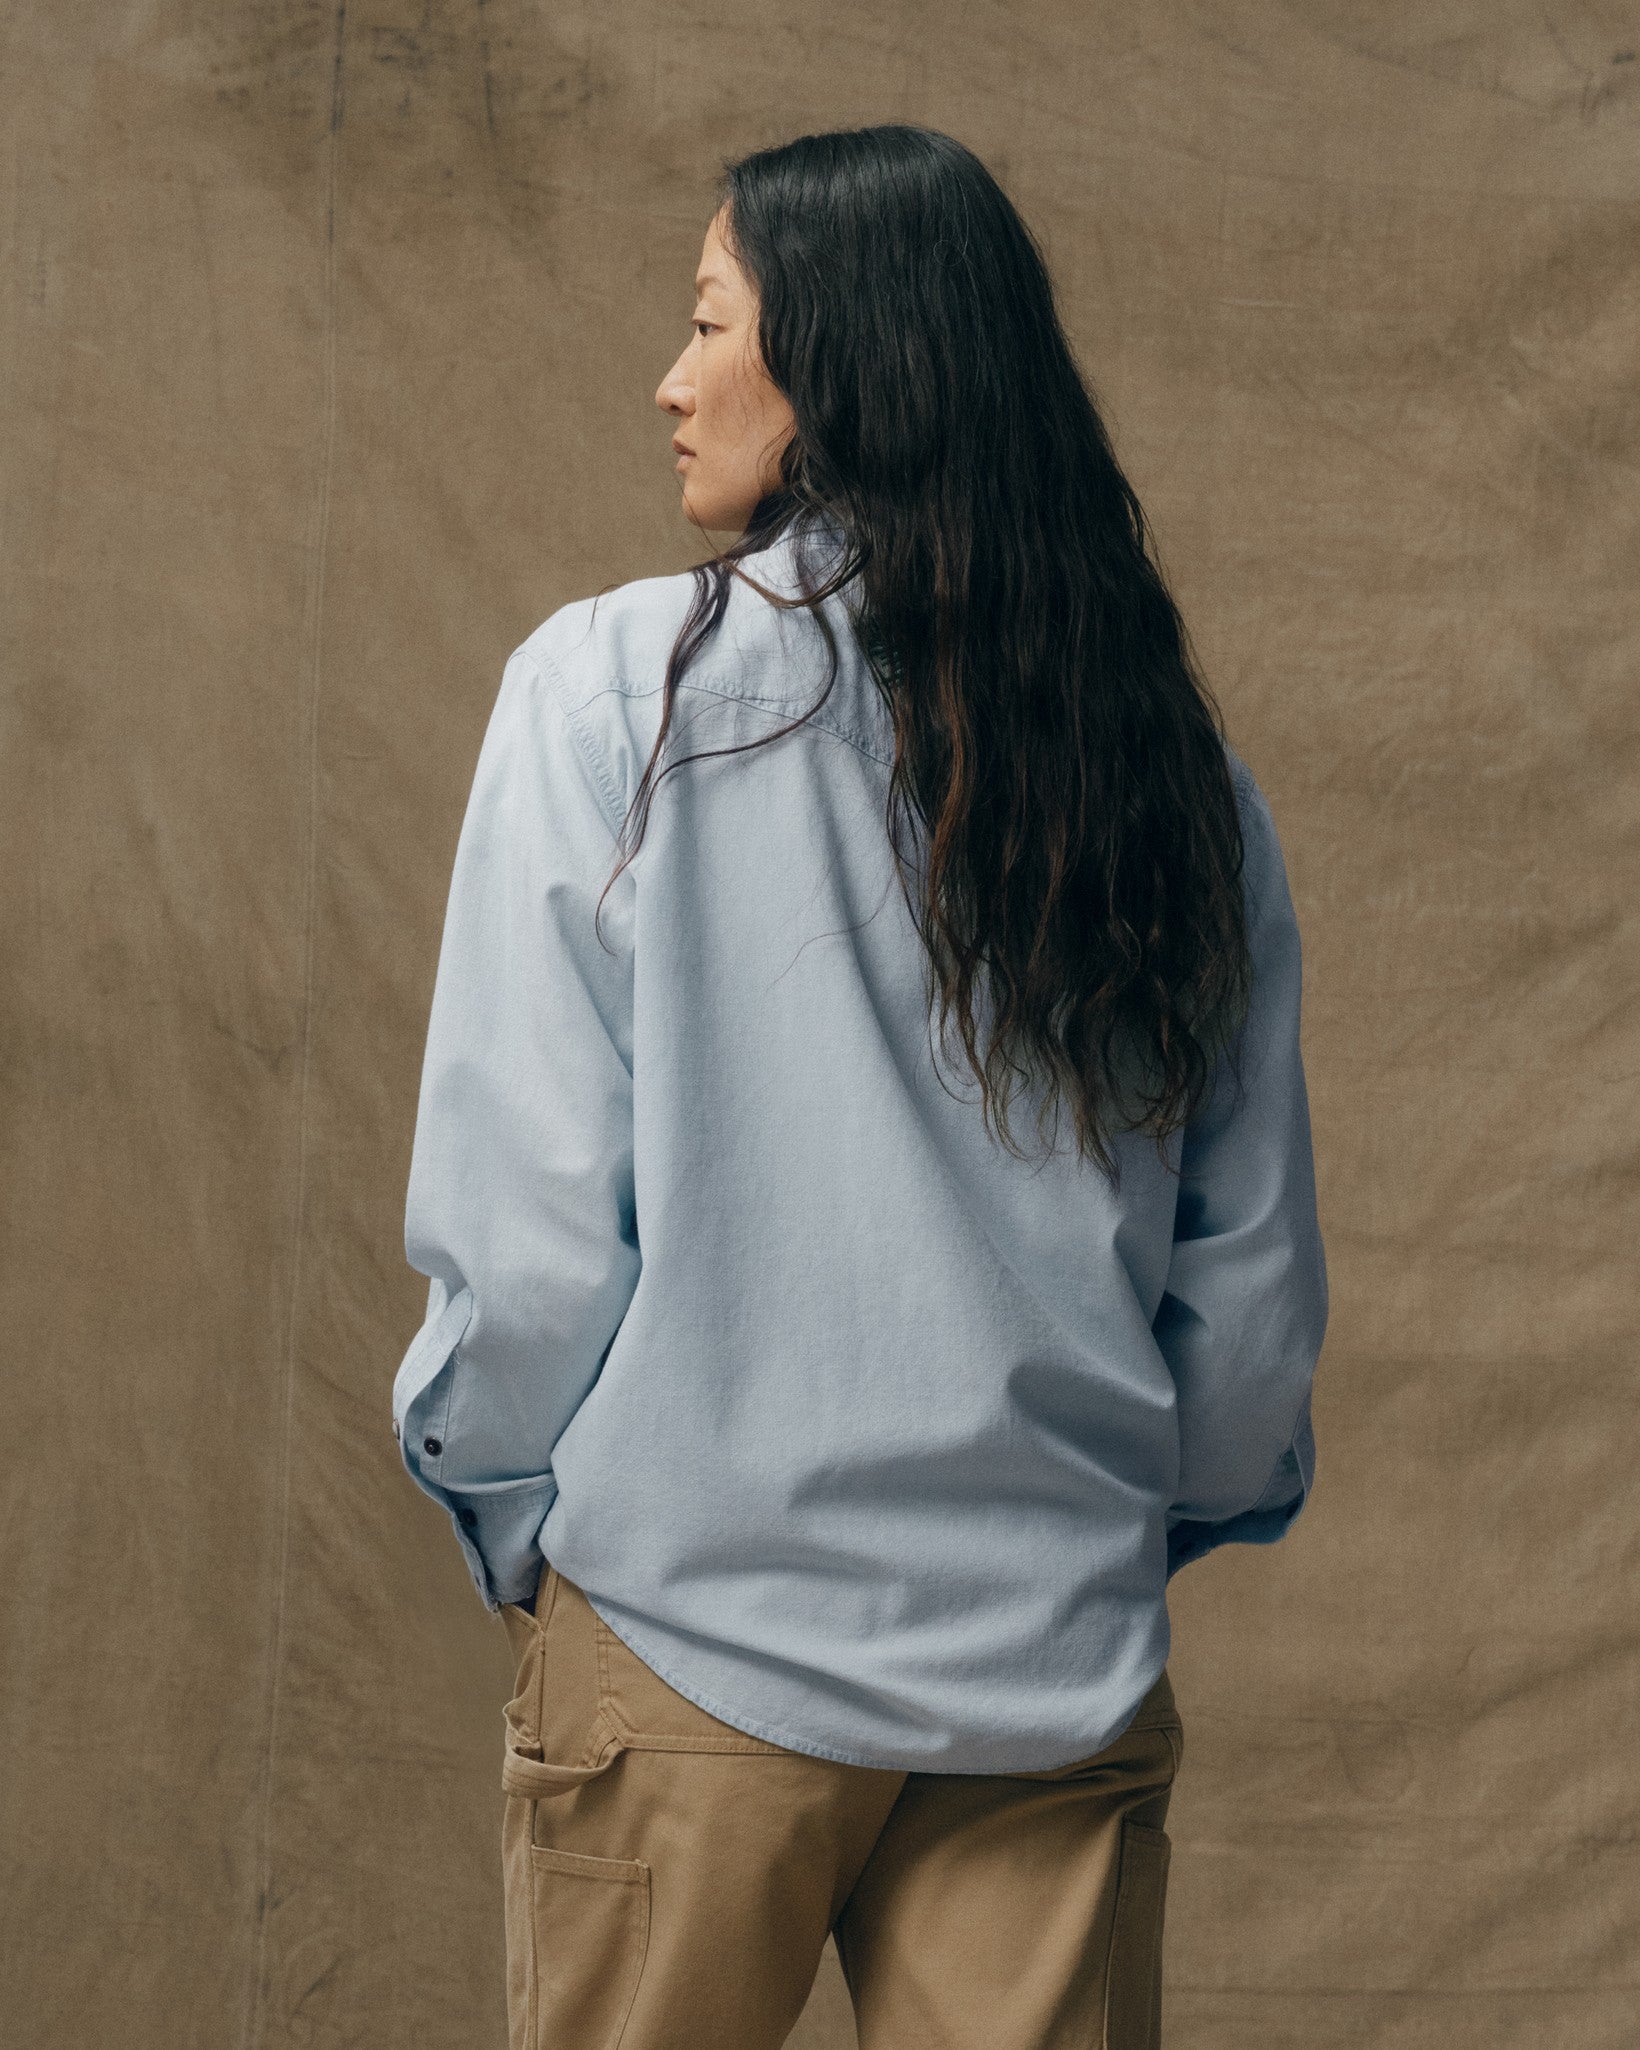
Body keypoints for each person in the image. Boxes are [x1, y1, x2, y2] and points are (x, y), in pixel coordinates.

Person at [390, 124, 1327, 2050]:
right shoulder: (1175, 779)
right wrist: (1095, 1530)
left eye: (708, 321)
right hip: (1045, 1667)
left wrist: (522, 1518)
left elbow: (524, 1228)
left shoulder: (612, 696)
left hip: (691, 1626)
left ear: (836, 369)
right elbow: (1245, 1310)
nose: (670, 380)